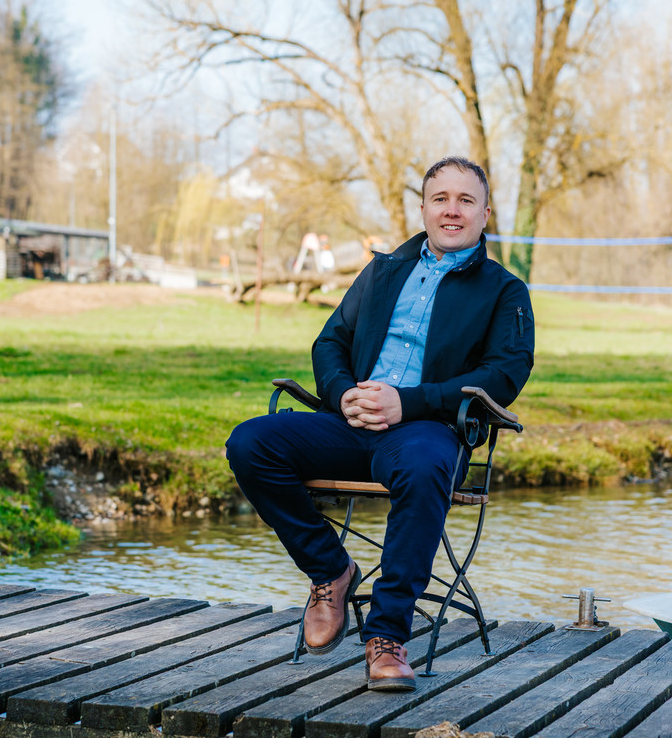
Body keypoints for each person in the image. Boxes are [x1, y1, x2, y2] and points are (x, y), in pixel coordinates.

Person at [225, 156, 534, 691]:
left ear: (485, 213)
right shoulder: (384, 270)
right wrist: (342, 393)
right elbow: (330, 342)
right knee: (250, 443)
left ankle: (387, 636)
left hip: (427, 430)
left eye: (466, 200)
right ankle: (330, 570)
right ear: (424, 209)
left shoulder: (504, 290)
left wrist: (408, 404)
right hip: (347, 422)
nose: (452, 210)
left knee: (424, 465)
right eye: (440, 199)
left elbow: (504, 374)